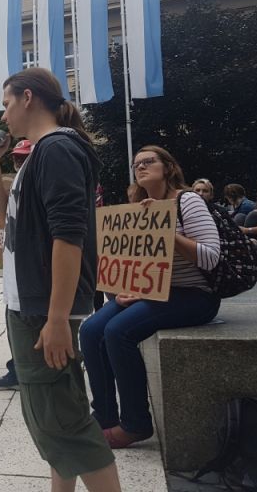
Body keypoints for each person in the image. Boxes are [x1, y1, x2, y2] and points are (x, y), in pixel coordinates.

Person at [0, 67, 120, 491]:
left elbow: (68, 236)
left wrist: (57, 318)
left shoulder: (57, 149)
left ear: (26, 98)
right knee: (58, 417)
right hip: (33, 305)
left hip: (44, 310)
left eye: (5, 105)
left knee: (62, 421)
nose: (2, 117)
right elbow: (4, 220)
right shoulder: (39, 153)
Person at [80, 146, 222, 451]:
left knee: (117, 332)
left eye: (149, 161)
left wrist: (166, 229)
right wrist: (122, 291)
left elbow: (211, 258)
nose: (141, 167)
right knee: (90, 330)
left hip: (194, 295)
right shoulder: (136, 205)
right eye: (136, 164)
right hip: (151, 293)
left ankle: (135, 424)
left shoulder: (188, 200)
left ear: (168, 167)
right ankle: (103, 416)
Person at [0, 138, 32, 392]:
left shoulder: (35, 183)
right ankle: (16, 369)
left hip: (30, 280)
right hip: (13, 276)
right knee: (13, 327)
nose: (19, 161)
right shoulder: (14, 184)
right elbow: (2, 222)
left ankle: (23, 372)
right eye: (16, 157)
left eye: (23, 157)